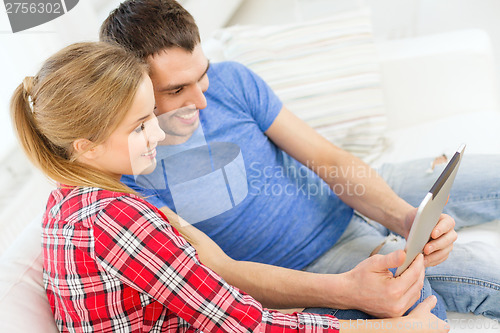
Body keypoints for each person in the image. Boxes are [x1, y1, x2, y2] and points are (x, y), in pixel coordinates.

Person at [99, 0, 500, 322]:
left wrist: (403, 218)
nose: (202, 100)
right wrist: (346, 288)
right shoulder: (130, 173)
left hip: (347, 196)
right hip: (315, 262)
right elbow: (220, 272)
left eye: (201, 75)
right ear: (131, 88)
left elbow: (327, 158)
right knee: (471, 283)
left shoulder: (231, 81)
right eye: (176, 90)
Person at [10, 41, 450, 333]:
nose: (158, 135)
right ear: (85, 146)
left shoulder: (72, 202)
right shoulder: (117, 219)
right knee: (413, 302)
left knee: (402, 285)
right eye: (141, 126)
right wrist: (394, 330)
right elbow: (247, 324)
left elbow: (214, 279)